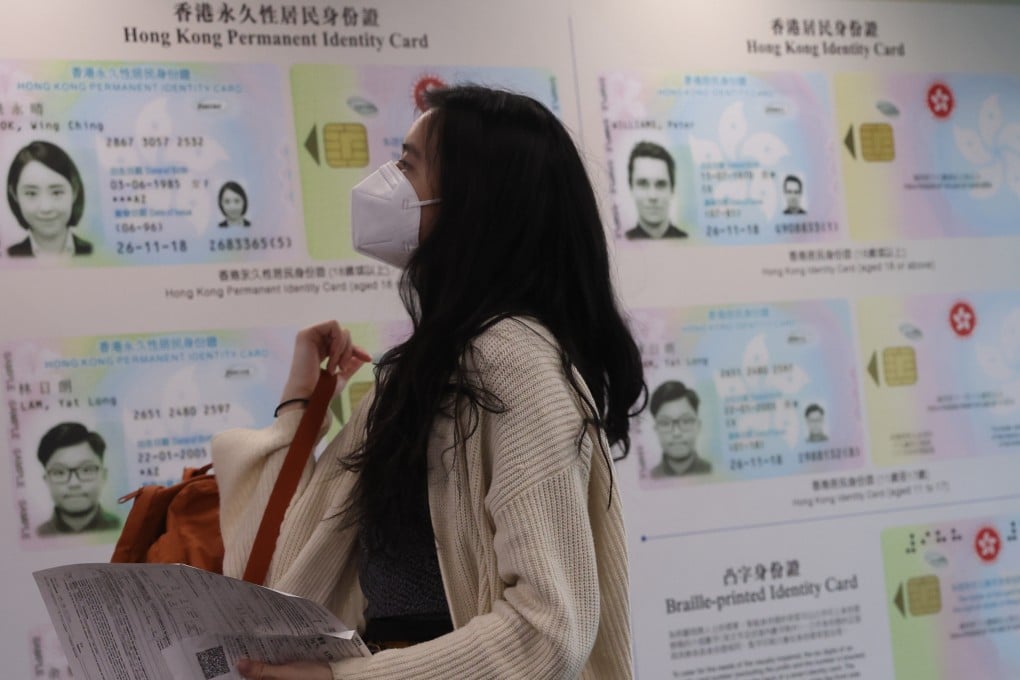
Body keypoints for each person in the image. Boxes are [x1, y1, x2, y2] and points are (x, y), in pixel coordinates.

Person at [214, 85, 646, 679]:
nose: (386, 180)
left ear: (473, 201)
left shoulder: (513, 362)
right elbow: (285, 565)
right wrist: (299, 403)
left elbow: (547, 631)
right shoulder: (426, 369)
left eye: (408, 164)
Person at [6, 141, 92, 256]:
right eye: (31, 194)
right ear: (15, 195)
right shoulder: (10, 255)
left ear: (74, 191)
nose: (46, 208)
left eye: (56, 193)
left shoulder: (92, 252)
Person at [36, 422, 119, 535]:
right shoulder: (38, 534)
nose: (74, 483)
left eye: (86, 470)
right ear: (46, 480)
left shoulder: (125, 528)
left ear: (104, 476)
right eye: (60, 472)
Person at [647, 381, 711, 477]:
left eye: (686, 421)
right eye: (665, 423)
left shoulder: (712, 472)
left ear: (698, 426)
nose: (676, 433)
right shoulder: (650, 477)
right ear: (656, 429)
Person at [624, 141, 687, 239]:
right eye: (643, 184)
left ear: (672, 190)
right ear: (631, 188)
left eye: (661, 184)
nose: (652, 196)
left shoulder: (687, 240)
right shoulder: (622, 242)